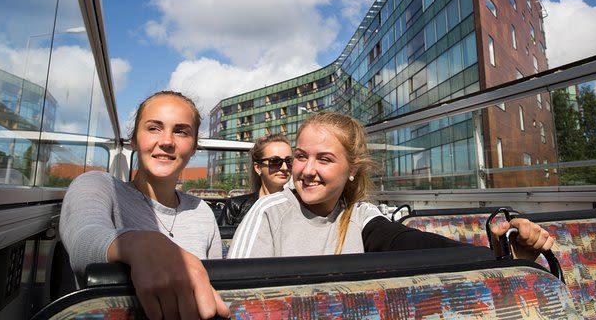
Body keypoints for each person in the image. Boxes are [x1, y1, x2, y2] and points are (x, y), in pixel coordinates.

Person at [228, 111, 554, 260]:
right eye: (301, 156)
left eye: (324, 159)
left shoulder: (360, 216)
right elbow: (236, 295)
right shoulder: (270, 212)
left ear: (352, 169)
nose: (307, 170)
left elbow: (407, 242)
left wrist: (500, 256)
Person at [60, 91, 229, 320]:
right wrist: (139, 243)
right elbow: (83, 239)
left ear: (194, 146)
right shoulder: (98, 186)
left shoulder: (201, 211)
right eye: (153, 128)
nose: (167, 141)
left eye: (181, 131)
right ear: (134, 140)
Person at [218, 133, 292, 226]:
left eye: (289, 161)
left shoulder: (299, 206)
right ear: (258, 168)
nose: (284, 167)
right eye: (275, 161)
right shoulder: (236, 207)